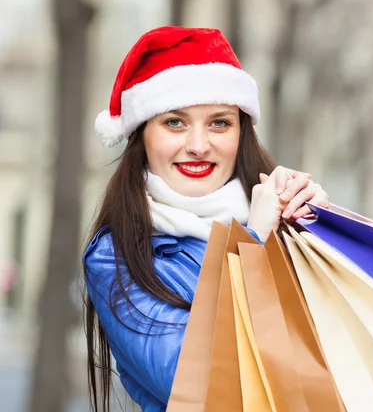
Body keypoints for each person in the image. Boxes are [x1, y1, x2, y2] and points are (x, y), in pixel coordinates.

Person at [83, 26, 330, 412]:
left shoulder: (283, 218)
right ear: (141, 135)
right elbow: (190, 381)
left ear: (240, 134)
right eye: (175, 122)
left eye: (219, 122)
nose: (198, 146)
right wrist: (253, 244)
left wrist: (320, 237)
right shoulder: (114, 255)